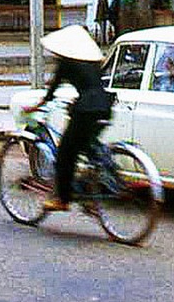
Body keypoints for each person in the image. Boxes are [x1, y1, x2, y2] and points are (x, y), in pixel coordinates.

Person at [21, 25, 115, 213]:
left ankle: (62, 199)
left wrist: (34, 107)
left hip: (85, 109)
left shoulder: (66, 63)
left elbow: (51, 92)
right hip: (105, 106)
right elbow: (92, 86)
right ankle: (88, 194)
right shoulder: (93, 62)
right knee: (87, 147)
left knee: (65, 152)